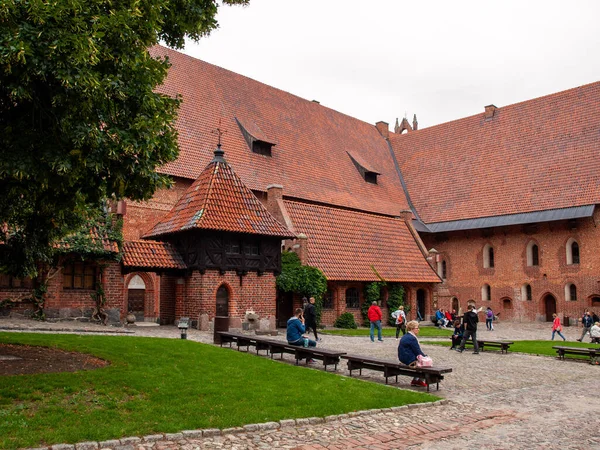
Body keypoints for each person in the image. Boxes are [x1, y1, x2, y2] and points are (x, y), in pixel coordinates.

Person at [398, 320, 428, 387]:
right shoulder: (412, 338)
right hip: (409, 359)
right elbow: (417, 351)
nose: (418, 330)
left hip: (402, 357)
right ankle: (419, 380)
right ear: (412, 329)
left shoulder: (405, 336)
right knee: (426, 364)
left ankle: (415, 380)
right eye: (417, 328)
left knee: (421, 361)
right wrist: (426, 357)